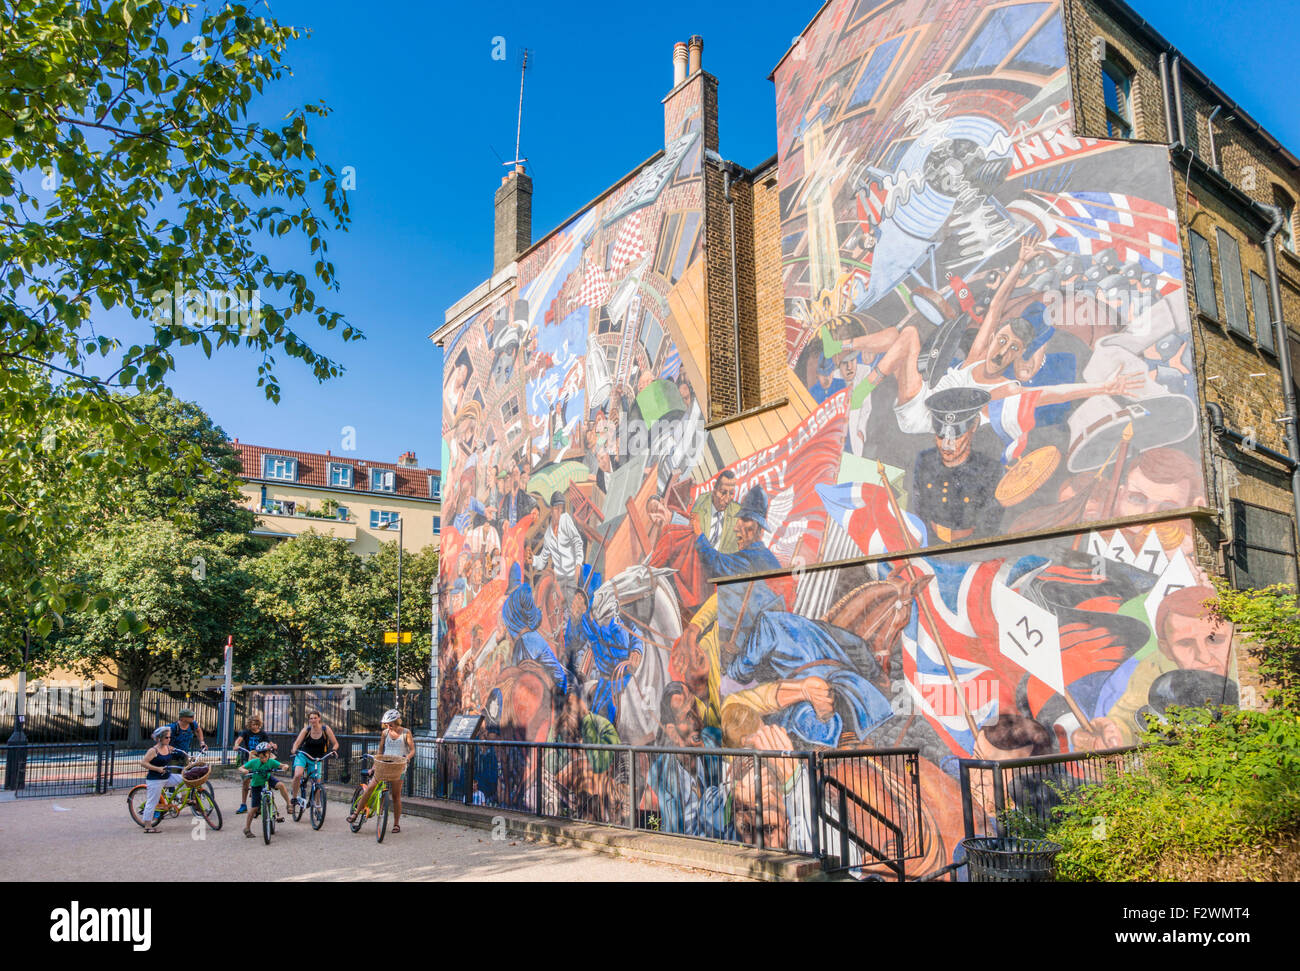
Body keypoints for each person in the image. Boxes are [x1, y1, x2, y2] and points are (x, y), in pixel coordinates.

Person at [348, 710, 415, 833]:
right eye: (387, 724)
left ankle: (396, 824)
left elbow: (412, 750)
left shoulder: (406, 733)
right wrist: (374, 766)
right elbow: (380, 751)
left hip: (399, 766)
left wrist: (407, 758)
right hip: (384, 765)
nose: (389, 727)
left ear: (397, 722)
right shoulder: (385, 733)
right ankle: (356, 814)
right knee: (370, 788)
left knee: (396, 796)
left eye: (391, 724)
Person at [289, 709, 340, 810]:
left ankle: (317, 804)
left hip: (317, 758)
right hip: (303, 755)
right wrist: (294, 750)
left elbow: (336, 743)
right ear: (309, 720)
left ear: (319, 718)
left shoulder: (326, 729)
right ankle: (294, 799)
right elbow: (297, 743)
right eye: (311, 718)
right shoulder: (306, 730)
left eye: (315, 718)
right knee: (298, 775)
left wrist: (334, 750)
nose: (313, 720)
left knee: (317, 782)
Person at [138, 725, 185, 833]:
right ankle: (148, 826)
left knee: (185, 778)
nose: (169, 739)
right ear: (159, 738)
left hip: (167, 777)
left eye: (170, 737)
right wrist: (157, 768)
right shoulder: (153, 750)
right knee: (152, 801)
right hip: (155, 779)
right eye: (167, 738)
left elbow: (178, 753)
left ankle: (184, 799)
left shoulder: (168, 747)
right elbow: (143, 763)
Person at [239, 742, 290, 837]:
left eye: (265, 756)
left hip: (268, 780)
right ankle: (247, 828)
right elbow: (241, 767)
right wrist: (244, 770)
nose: (263, 759)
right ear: (258, 756)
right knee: (254, 808)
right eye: (261, 757)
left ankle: (289, 804)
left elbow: (281, 765)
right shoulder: (254, 762)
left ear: (269, 754)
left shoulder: (271, 761)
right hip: (256, 785)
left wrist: (285, 766)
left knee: (281, 785)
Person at [233, 715, 276, 814]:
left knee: (260, 779)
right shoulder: (246, 733)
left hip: (259, 758)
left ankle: (259, 802)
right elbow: (239, 740)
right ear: (249, 725)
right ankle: (243, 805)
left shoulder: (262, 734)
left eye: (256, 725)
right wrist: (236, 745)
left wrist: (273, 745)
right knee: (246, 780)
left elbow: (269, 742)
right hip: (248, 758)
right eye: (253, 725)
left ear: (259, 724)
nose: (255, 727)